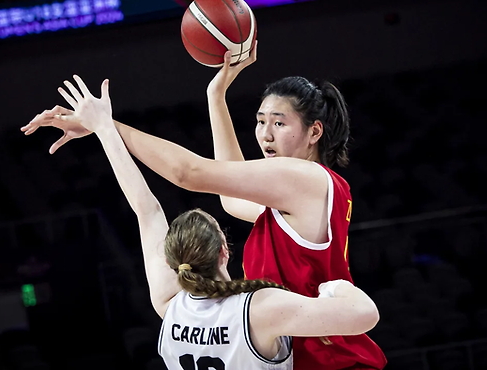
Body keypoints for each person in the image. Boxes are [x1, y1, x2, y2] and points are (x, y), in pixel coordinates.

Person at [21, 43, 387, 369]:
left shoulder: (305, 179)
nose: (266, 134)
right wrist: (216, 96)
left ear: (315, 132)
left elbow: (187, 174)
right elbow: (230, 199)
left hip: (332, 360)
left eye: (279, 122)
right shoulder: (292, 199)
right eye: (260, 122)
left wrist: (107, 125)